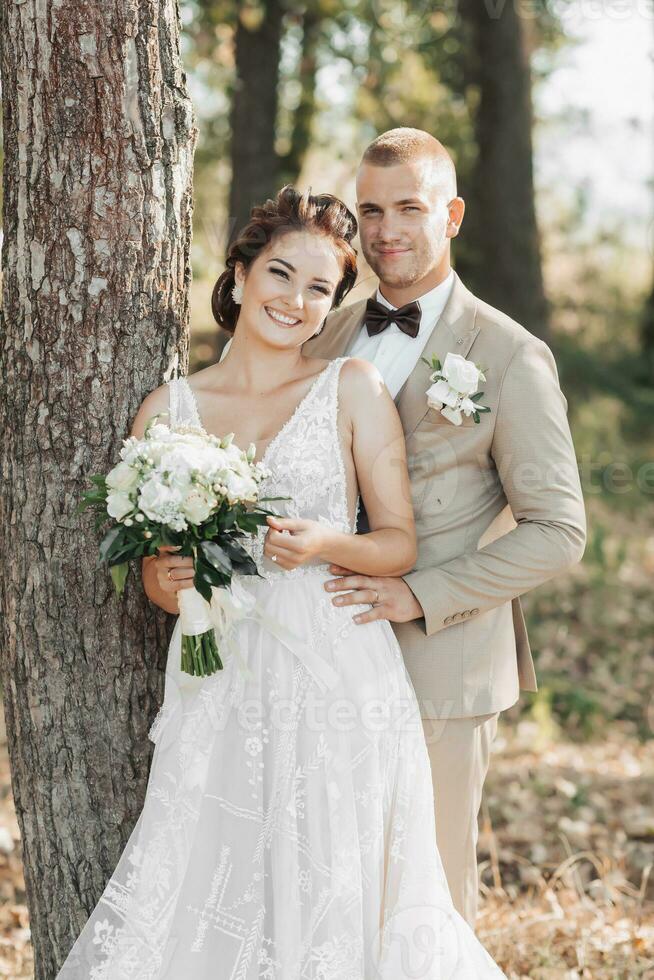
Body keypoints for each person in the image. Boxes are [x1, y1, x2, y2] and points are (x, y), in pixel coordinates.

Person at [56, 186, 506, 978]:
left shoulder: (352, 389)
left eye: (319, 288)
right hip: (220, 679)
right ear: (238, 275)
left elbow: (398, 544)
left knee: (331, 877)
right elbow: (159, 585)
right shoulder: (167, 410)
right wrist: (171, 578)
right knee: (218, 871)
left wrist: (329, 542)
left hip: (337, 674)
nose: (295, 300)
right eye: (279, 274)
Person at [301, 128, 587, 927]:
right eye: (370, 210)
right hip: (316, 653)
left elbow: (558, 528)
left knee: (428, 906)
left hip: (442, 665)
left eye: (409, 209)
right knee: (331, 893)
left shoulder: (507, 354)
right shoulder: (322, 332)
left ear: (451, 215)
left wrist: (418, 595)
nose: (386, 230)